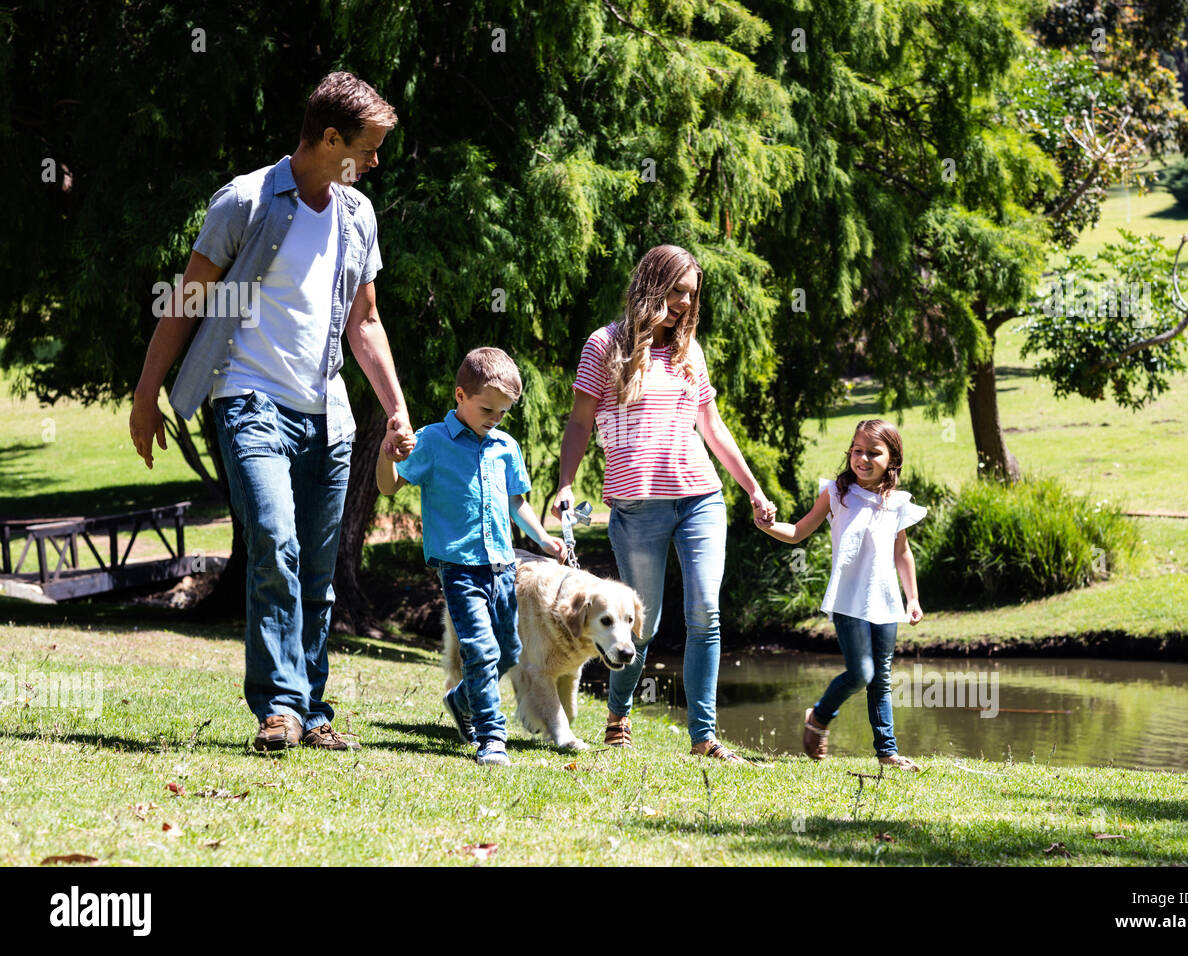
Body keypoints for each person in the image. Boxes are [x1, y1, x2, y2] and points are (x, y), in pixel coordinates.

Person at [128, 72, 416, 752]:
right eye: (368, 149)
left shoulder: (356, 215)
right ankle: (278, 708)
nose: (375, 162)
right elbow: (188, 301)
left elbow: (365, 322)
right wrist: (147, 394)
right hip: (249, 396)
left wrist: (397, 408)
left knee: (317, 570)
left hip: (328, 413)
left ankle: (312, 710)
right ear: (328, 138)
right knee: (274, 545)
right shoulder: (247, 201)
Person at [552, 244, 776, 763]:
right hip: (637, 507)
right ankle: (619, 715)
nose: (681, 303)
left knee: (705, 613)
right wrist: (566, 483)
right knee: (639, 624)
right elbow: (581, 421)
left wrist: (752, 488)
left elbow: (712, 428)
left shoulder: (688, 351)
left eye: (690, 295)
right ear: (650, 283)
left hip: (700, 498)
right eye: (675, 290)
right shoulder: (603, 345)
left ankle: (704, 739)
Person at [376, 347, 565, 766]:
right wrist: (385, 453)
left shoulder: (504, 446)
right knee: (480, 650)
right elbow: (389, 488)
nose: (494, 419)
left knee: (509, 651)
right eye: (487, 409)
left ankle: (461, 703)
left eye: (502, 413)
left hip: (503, 565)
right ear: (460, 396)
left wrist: (544, 539)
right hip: (459, 567)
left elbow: (517, 502)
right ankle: (491, 736)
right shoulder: (431, 442)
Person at [756, 419, 925, 769]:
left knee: (881, 677)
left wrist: (912, 598)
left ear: (892, 459)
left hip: (886, 601)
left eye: (873, 453)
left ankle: (887, 752)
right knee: (862, 672)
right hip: (849, 600)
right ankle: (819, 716)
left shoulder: (897, 503)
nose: (862, 459)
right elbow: (800, 531)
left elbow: (902, 553)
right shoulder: (837, 493)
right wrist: (769, 525)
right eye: (857, 451)